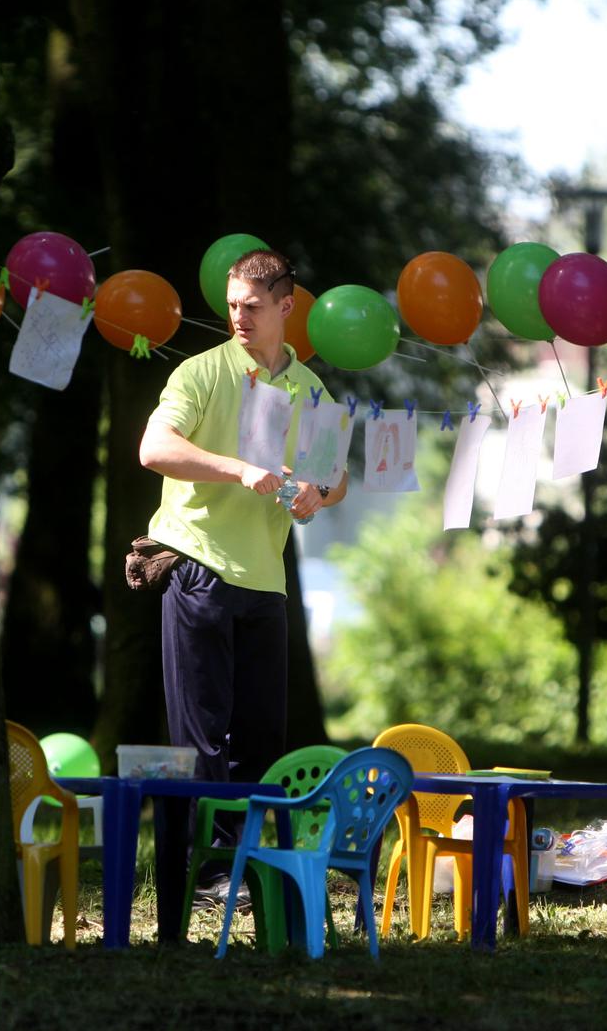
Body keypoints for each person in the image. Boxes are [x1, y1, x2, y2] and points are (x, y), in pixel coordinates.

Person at [138, 248, 348, 904]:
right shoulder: (202, 372)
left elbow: (335, 477)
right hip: (197, 563)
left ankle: (250, 867)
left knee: (261, 736)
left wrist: (319, 492)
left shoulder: (311, 388)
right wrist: (237, 469)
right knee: (203, 735)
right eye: (231, 306)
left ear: (287, 306)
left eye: (252, 308)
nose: (239, 318)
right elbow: (154, 449)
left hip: (267, 581)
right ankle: (209, 873)